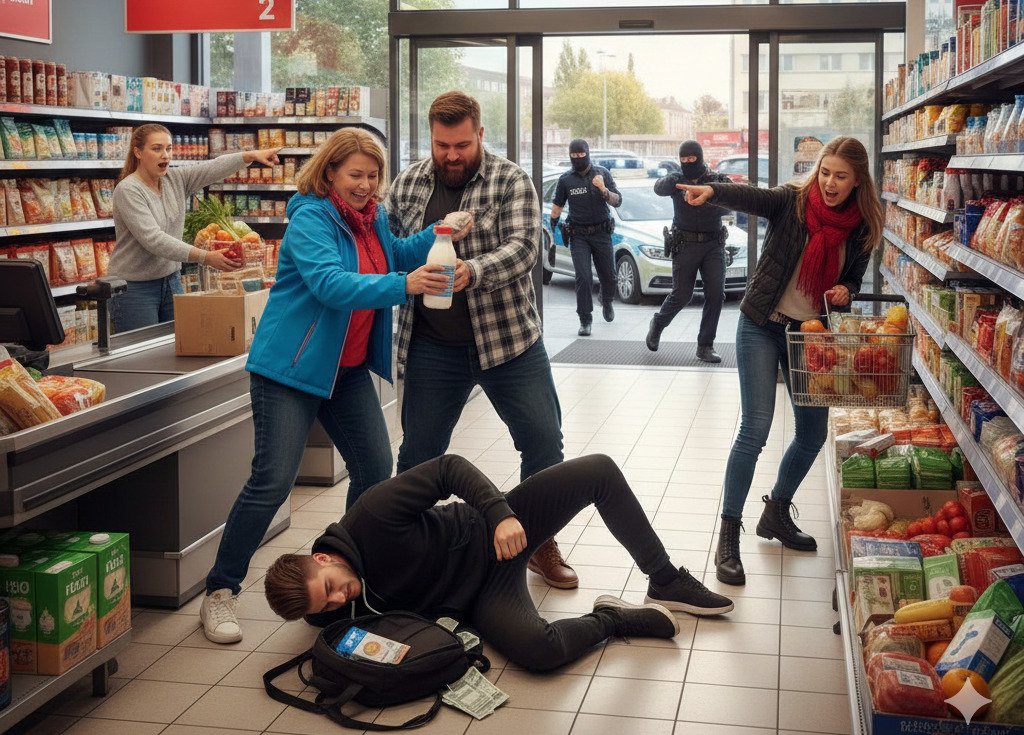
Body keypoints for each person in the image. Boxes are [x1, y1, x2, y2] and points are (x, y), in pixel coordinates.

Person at [199, 128, 469, 644]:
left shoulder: (375, 218)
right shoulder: (310, 218)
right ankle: (220, 592)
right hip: (290, 370)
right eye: (355, 176)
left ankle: (343, 571)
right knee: (272, 482)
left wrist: (439, 232)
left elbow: (393, 255)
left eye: (373, 176)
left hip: (344, 373)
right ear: (328, 173)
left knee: (373, 466)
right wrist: (404, 286)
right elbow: (331, 284)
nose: (366, 185)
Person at [263, 454, 735, 672]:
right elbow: (318, 619)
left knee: (599, 471)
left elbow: (448, 468)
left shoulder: (372, 514)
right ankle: (612, 617)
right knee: (541, 652)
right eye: (327, 606)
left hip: (489, 530)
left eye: (331, 586)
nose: (340, 599)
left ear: (321, 557)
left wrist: (500, 514)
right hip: (481, 597)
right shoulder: (318, 607)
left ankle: (665, 579)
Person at [384, 91, 574, 590]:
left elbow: (524, 249)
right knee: (419, 456)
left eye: (462, 144)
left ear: (480, 135)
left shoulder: (510, 180)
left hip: (509, 342)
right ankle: (407, 553)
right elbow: (388, 252)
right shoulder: (407, 186)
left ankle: (538, 542)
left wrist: (473, 270)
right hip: (431, 346)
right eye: (442, 144)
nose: (451, 154)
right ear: (431, 137)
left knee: (543, 442)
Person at [676, 137, 883, 586]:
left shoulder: (862, 226)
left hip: (812, 337)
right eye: (825, 171)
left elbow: (853, 277)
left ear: (857, 181)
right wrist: (713, 190)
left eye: (840, 176)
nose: (829, 182)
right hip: (761, 324)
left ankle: (776, 514)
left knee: (811, 434)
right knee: (755, 429)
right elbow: (752, 195)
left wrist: (847, 290)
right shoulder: (792, 202)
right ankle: (728, 534)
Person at [109, 123, 280, 332]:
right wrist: (205, 257)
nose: (165, 155)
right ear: (138, 152)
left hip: (171, 280)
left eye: (168, 148)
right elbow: (153, 239)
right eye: (156, 149)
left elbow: (212, 168)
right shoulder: (128, 190)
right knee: (141, 358)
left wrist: (251, 155)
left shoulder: (175, 179)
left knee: (177, 349)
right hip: (135, 288)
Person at [645, 140, 732, 362]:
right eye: (683, 160)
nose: (687, 163)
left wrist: (708, 202)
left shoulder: (716, 179)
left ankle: (705, 345)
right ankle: (658, 323)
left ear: (700, 158)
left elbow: (733, 201)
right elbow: (658, 188)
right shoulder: (678, 179)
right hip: (685, 244)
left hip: (713, 245)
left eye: (691, 160)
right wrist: (675, 179)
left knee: (715, 294)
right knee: (682, 294)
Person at [549, 139, 622, 336]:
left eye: (582, 155)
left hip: (601, 233)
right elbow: (557, 206)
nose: (578, 159)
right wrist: (553, 226)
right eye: (574, 156)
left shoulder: (602, 174)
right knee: (584, 278)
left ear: (588, 154)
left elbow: (618, 200)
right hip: (578, 235)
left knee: (609, 276)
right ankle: (585, 319)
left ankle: (606, 301)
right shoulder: (566, 180)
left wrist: (603, 190)